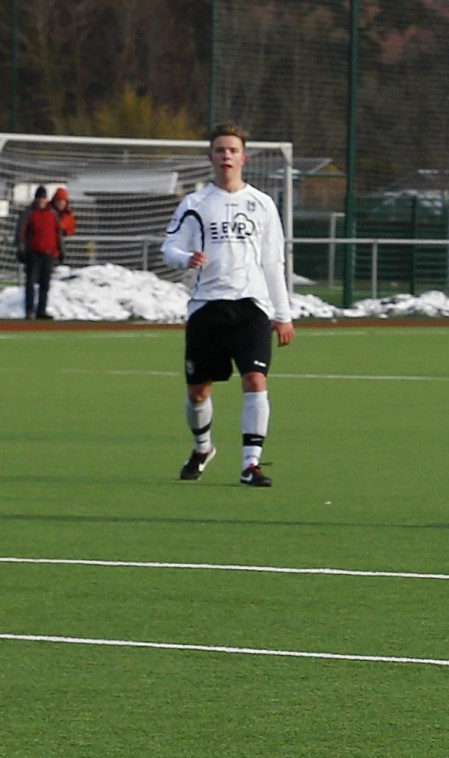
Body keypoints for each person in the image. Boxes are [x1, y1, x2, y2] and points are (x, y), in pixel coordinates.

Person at [161, 123, 294, 488]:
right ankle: (202, 447)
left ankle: (250, 464)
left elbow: (273, 263)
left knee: (255, 379)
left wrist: (282, 315)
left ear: (243, 157)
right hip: (207, 307)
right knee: (198, 391)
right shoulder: (195, 203)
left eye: (233, 150)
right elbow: (169, 247)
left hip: (251, 307)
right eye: (220, 150)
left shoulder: (263, 204)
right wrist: (184, 258)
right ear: (211, 157)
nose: (226, 156)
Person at [14, 186, 63, 320]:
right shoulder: (29, 213)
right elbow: (20, 232)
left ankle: (41, 310)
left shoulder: (52, 214)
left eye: (43, 198)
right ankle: (29, 310)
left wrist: (60, 251)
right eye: (38, 198)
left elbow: (57, 234)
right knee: (30, 283)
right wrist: (21, 249)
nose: (41, 201)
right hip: (33, 254)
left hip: (48, 254)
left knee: (45, 284)